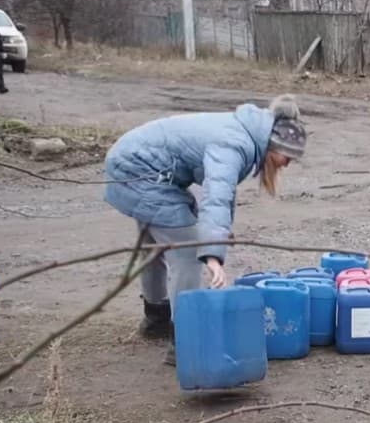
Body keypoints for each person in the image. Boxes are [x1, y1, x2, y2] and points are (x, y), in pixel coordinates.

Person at [103, 94, 307, 364]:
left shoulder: (245, 133)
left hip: (135, 162)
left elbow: (224, 191)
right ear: (273, 144)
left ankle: (156, 317)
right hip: (138, 170)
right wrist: (212, 255)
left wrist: (218, 233)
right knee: (187, 252)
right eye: (287, 156)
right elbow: (216, 196)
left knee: (158, 240)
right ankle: (184, 340)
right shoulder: (234, 144)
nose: (288, 163)